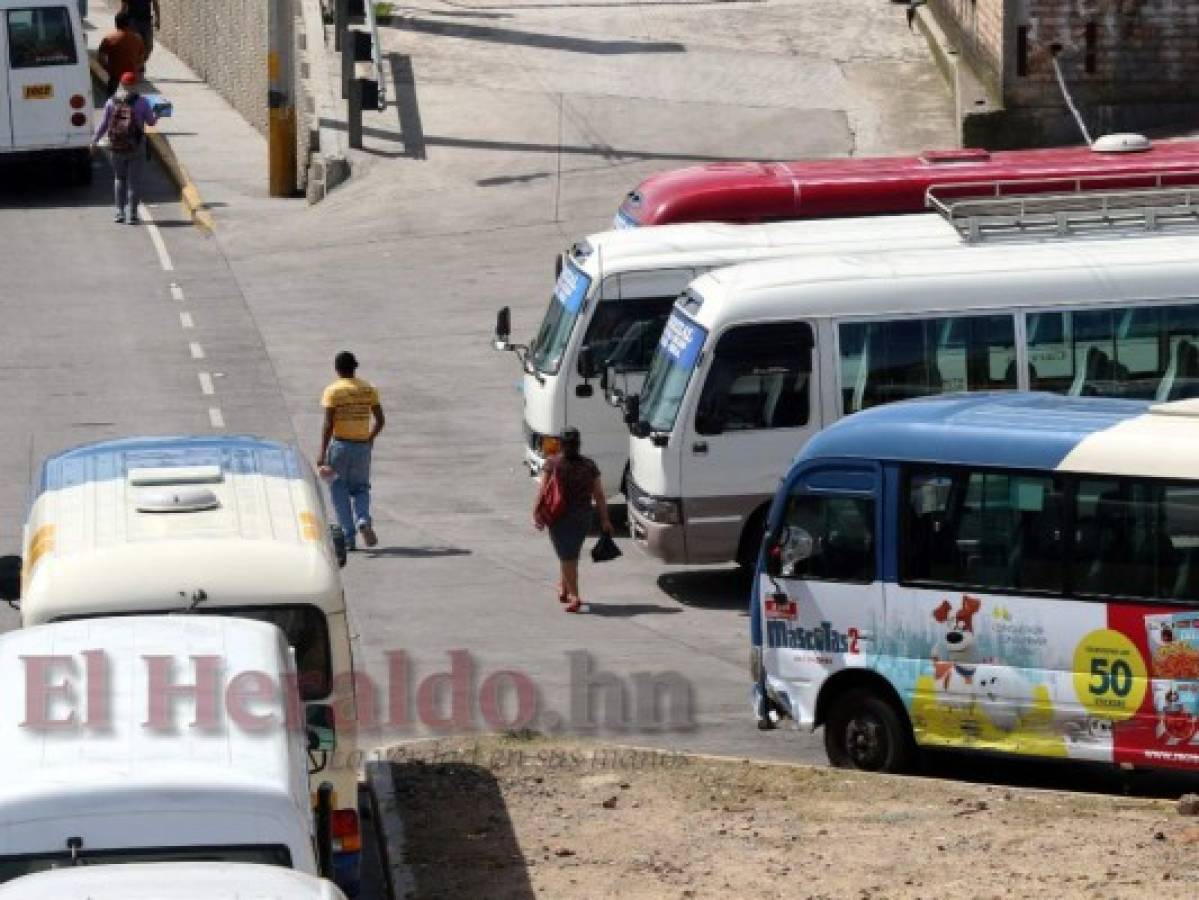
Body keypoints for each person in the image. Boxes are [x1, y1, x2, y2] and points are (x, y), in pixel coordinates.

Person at [534, 428, 613, 613]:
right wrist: (605, 520)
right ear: (579, 444)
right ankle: (563, 587)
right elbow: (599, 495)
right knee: (570, 554)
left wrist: (537, 513)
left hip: (558, 517)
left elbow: (543, 491)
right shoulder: (589, 465)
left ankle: (575, 597)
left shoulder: (552, 464)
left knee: (567, 557)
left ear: (560, 444)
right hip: (583, 518)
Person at [317, 351, 385, 552]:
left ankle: (348, 537)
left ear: (337, 369)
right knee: (361, 488)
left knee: (339, 489)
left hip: (340, 446)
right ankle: (362, 519)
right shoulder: (368, 389)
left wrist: (322, 451)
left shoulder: (333, 391)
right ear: (355, 367)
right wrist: (370, 439)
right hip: (362, 447)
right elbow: (381, 421)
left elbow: (329, 423)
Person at [91, 72, 158, 225]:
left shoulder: (111, 102)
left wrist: (94, 141)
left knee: (119, 178)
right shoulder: (143, 102)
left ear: (120, 84)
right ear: (135, 85)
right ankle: (132, 215)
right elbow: (152, 122)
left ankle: (119, 212)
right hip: (136, 147)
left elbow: (103, 125)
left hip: (116, 147)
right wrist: (156, 115)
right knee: (134, 182)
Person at [97, 12, 145, 95]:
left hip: (115, 78)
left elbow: (100, 58)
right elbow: (141, 60)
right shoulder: (138, 39)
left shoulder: (108, 39)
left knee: (113, 103)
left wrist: (108, 69)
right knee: (131, 104)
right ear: (129, 24)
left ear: (116, 23)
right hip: (131, 79)